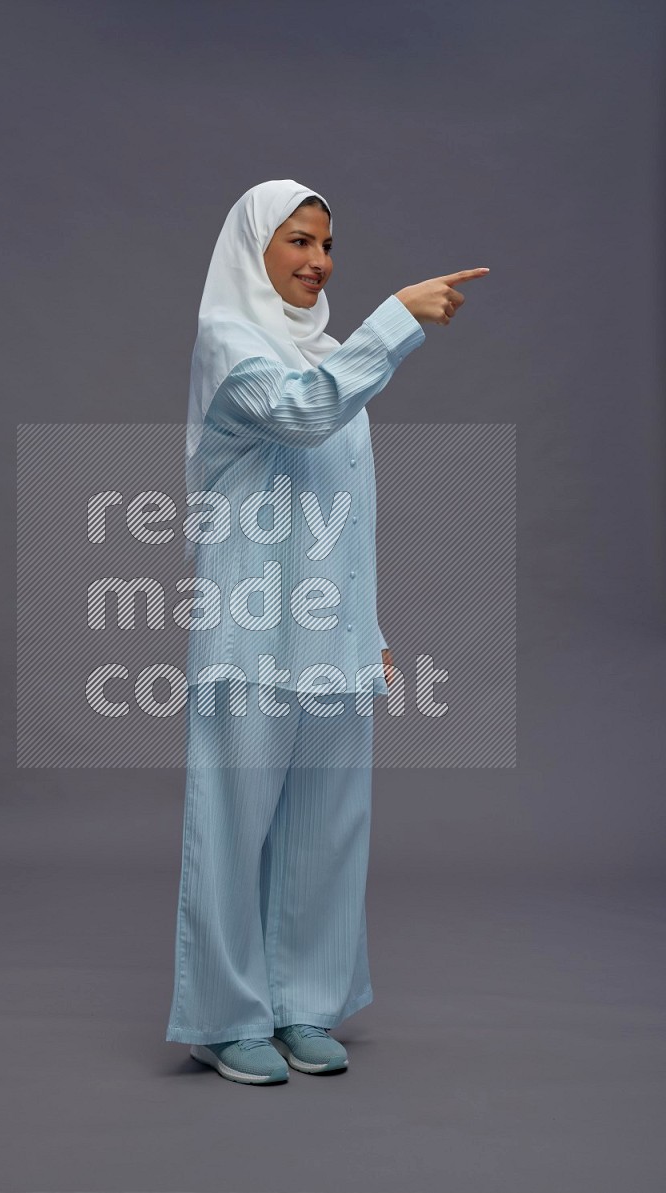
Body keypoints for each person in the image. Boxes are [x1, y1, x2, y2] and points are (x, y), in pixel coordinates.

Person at [165, 179, 488, 1084]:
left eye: (328, 245)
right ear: (255, 249)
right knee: (233, 824)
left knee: (325, 825)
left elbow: (343, 508)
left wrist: (369, 627)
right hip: (251, 631)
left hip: (329, 636)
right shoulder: (231, 344)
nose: (319, 261)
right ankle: (226, 1018)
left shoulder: (336, 355)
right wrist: (396, 318)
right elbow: (304, 414)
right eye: (299, 241)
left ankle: (303, 1003)